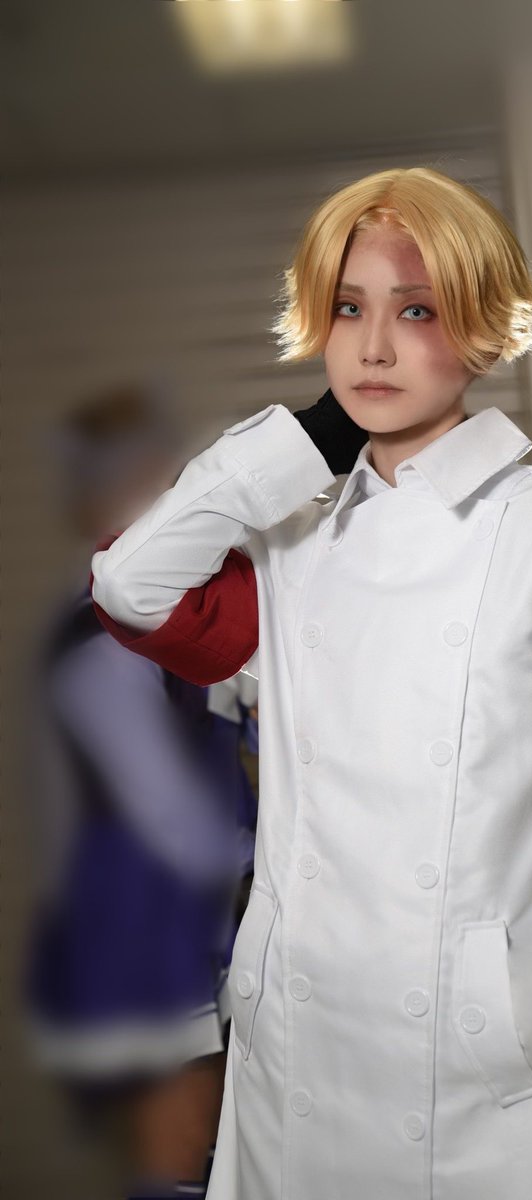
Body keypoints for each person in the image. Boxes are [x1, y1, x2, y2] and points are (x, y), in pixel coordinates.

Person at [89, 167, 532, 1200]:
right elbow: (129, 585)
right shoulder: (292, 537)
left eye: (418, 310)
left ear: (484, 327)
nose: (374, 347)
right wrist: (307, 438)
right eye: (348, 310)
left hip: (502, 1087)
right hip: (295, 1070)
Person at [22, 383, 248, 1200]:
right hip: (141, 922)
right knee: (178, 1139)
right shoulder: (100, 634)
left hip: (172, 910)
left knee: (206, 1140)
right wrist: (264, 857)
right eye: (141, 482)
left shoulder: (157, 614)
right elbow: (163, 809)